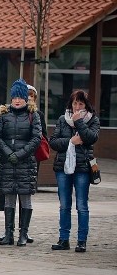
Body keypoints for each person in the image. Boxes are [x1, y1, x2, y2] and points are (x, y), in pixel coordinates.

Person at [49, 90, 100, 253]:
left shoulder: (93, 120)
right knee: (64, 205)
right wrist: (71, 141)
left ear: (86, 105)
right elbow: (54, 142)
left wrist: (79, 122)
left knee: (82, 205)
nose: (77, 106)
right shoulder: (62, 119)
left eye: (81, 103)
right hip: (63, 166)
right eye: (75, 103)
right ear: (70, 104)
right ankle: (64, 239)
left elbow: (91, 138)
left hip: (83, 167)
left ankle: (81, 241)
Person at [0, 79, 42, 246]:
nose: (17, 100)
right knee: (9, 198)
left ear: (25, 98)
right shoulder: (4, 115)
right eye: (14, 96)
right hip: (8, 162)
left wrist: (20, 154)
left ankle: (24, 233)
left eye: (20, 97)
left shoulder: (33, 115)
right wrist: (8, 153)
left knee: (25, 198)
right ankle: (9, 233)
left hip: (26, 163)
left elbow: (36, 138)